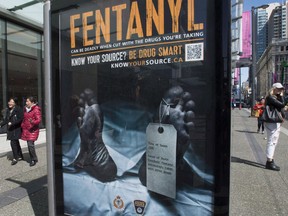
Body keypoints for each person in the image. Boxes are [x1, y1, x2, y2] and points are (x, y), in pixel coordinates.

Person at [264, 83, 288, 171]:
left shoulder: (274, 97)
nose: (280, 91)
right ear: (273, 88)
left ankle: (270, 160)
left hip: (274, 122)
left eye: (281, 89)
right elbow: (282, 104)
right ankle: (269, 161)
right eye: (278, 89)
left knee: (273, 141)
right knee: (272, 141)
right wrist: (281, 96)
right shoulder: (271, 97)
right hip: (272, 122)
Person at [0, 97, 24, 165]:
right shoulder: (8, 110)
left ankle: (15, 158)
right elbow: (6, 120)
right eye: (9, 102)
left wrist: (12, 123)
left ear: (15, 103)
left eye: (12, 102)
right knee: (15, 142)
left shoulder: (18, 109)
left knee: (13, 142)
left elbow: (21, 119)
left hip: (16, 129)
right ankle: (20, 156)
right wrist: (1, 124)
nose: (10, 103)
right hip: (11, 129)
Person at [21, 96, 41, 166]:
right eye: (26, 101)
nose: (26, 102)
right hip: (26, 129)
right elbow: (24, 119)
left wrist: (32, 121)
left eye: (27, 101)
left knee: (30, 145)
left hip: (33, 130)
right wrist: (22, 124)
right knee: (29, 145)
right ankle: (32, 158)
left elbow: (38, 120)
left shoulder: (36, 109)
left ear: (32, 102)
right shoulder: (26, 109)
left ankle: (34, 159)